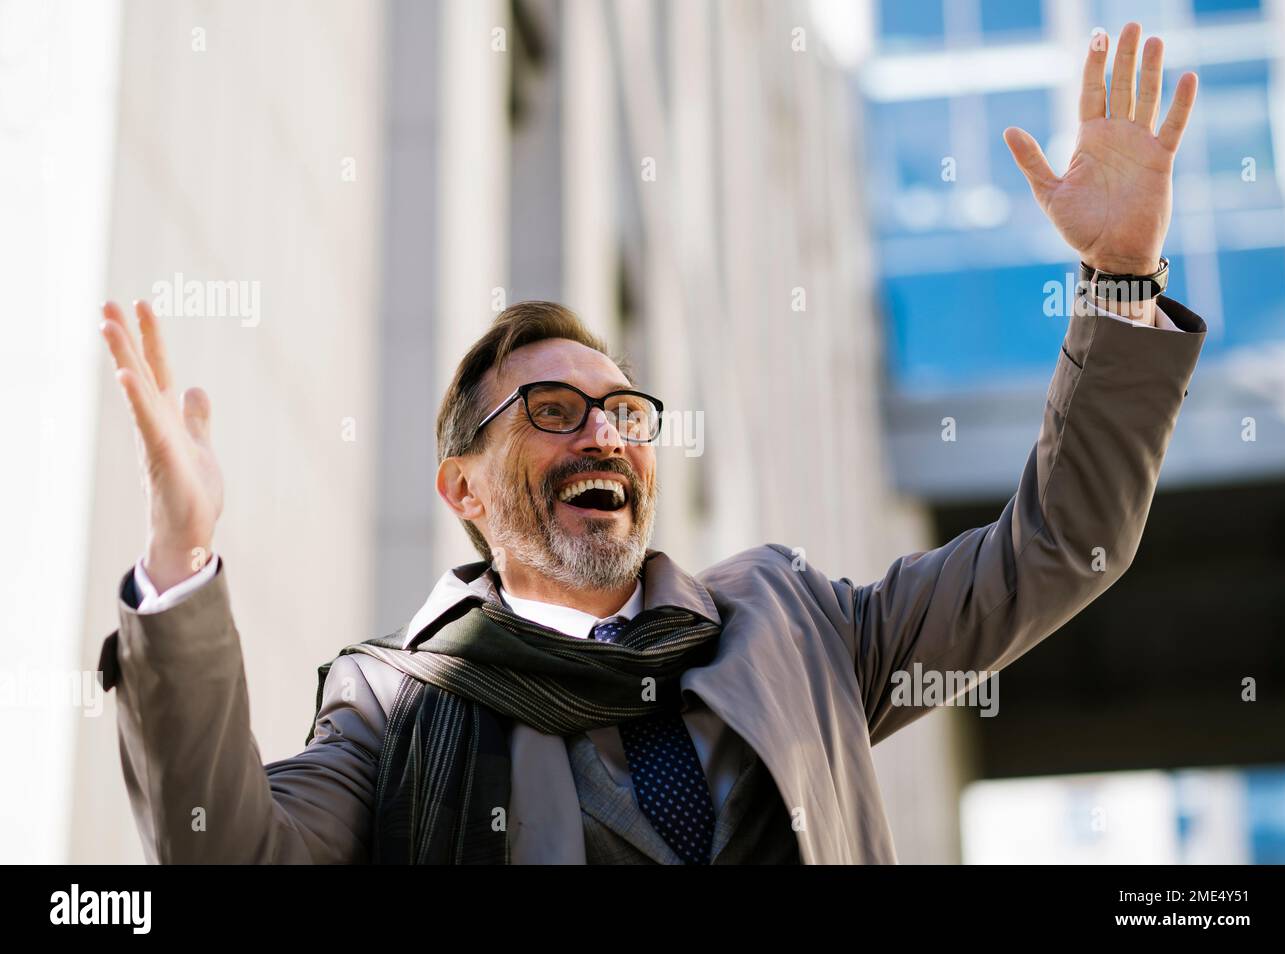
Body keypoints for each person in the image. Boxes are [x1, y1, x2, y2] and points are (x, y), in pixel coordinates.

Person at [96, 23, 1206, 863]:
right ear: (462, 489)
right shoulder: (393, 711)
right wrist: (183, 567)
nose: (603, 436)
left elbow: (1061, 548)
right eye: (550, 413)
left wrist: (1117, 284)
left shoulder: (793, 628)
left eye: (624, 413)